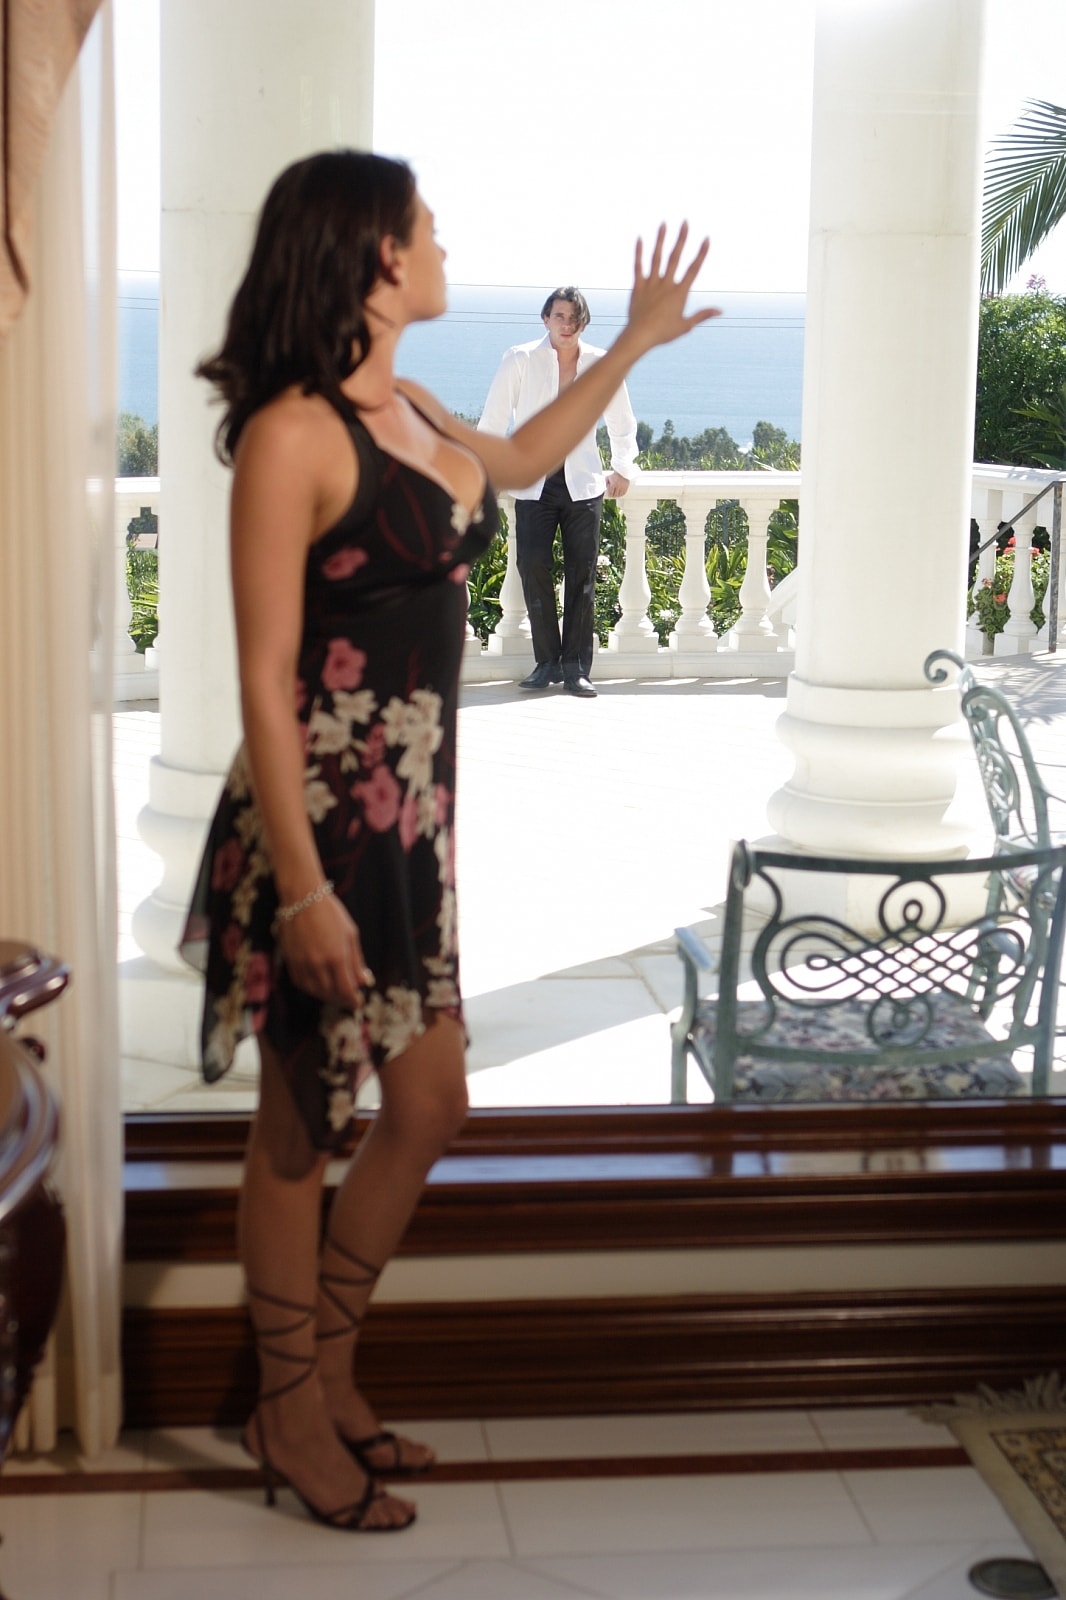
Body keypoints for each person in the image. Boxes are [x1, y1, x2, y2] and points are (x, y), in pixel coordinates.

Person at [179, 148, 717, 1535]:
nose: (439, 245)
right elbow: (263, 683)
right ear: (372, 257)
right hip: (318, 829)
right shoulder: (295, 433)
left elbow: (526, 462)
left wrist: (634, 346)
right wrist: (305, 893)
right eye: (422, 228)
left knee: (426, 1106)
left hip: (412, 820)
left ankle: (325, 1371)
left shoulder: (410, 404)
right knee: (300, 1126)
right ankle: (288, 1406)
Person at [478, 286, 640, 698]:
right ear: (545, 319)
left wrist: (623, 468)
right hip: (533, 481)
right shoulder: (520, 359)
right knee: (532, 564)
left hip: (583, 482)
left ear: (583, 323)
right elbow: (494, 418)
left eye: (575, 318)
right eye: (560, 316)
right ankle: (546, 662)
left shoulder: (601, 363)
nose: (567, 325)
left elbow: (621, 420)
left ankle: (576, 669)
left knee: (582, 576)